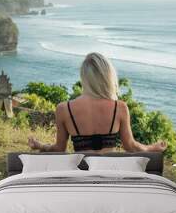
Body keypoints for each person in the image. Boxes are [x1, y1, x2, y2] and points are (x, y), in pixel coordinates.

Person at [28, 52, 167, 153]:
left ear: (84, 77)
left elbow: (59, 149)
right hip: (109, 173)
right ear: (108, 76)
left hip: (81, 173)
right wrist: (152, 148)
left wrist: (41, 146)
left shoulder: (64, 109)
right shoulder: (119, 108)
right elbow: (130, 146)